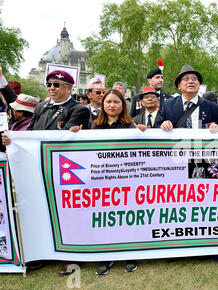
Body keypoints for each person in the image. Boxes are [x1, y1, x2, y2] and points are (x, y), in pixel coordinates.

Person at [2, 70, 90, 276]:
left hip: (66, 170)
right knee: (39, 209)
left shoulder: (78, 109)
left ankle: (74, 256)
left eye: (57, 85)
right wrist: (13, 140)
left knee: (68, 213)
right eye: (49, 84)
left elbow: (61, 138)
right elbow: (31, 133)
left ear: (69, 88)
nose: (51, 88)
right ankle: (40, 253)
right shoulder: (41, 106)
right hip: (38, 166)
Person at [70, 89, 140, 274]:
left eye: (116, 102)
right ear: (103, 105)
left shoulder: (131, 126)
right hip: (100, 182)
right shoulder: (93, 126)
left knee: (125, 218)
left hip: (125, 180)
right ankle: (106, 254)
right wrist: (75, 133)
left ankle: (129, 253)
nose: (112, 105)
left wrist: (143, 132)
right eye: (108, 101)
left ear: (122, 105)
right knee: (105, 219)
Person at [158, 65, 218, 133]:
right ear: (179, 85)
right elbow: (157, 128)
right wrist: (164, 125)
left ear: (199, 85)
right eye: (186, 78)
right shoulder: (168, 105)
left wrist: (216, 127)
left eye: (194, 78)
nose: (191, 81)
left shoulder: (213, 108)